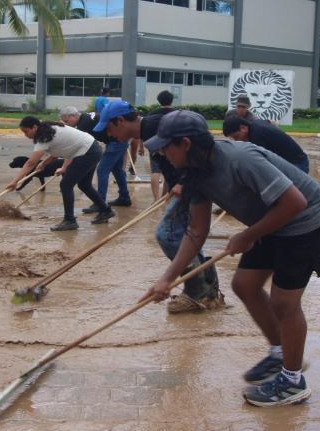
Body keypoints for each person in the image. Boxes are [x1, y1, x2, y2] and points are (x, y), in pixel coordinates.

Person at [139, 110, 320, 406]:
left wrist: (247, 235)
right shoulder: (196, 172)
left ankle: (293, 382)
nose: (162, 153)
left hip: (307, 221)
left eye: (167, 146)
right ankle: (281, 353)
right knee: (245, 284)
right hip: (271, 220)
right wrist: (168, 278)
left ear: (185, 143)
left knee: (284, 303)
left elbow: (296, 202)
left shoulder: (240, 159)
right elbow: (196, 230)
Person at [96, 100, 224, 314]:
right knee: (183, 237)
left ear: (120, 121)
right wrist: (171, 188)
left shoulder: (156, 125)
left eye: (109, 128)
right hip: (186, 185)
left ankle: (198, 292)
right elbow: (170, 166)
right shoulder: (148, 129)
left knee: (168, 235)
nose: (109, 135)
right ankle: (208, 292)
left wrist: (183, 183)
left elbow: (197, 148)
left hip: (193, 184)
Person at [7, 116, 114, 231]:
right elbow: (60, 149)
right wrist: (44, 164)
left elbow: (30, 163)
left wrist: (15, 182)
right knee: (84, 185)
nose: (25, 135)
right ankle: (106, 211)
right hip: (92, 148)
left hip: (87, 152)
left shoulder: (43, 137)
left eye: (26, 131)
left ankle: (70, 220)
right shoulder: (49, 129)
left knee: (66, 185)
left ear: (34, 127)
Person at [222, 117, 310, 173]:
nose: (237, 140)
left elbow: (261, 164)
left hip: (297, 165)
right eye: (233, 139)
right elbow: (272, 122)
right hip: (299, 159)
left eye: (236, 137)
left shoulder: (256, 136)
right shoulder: (256, 123)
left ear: (243, 128)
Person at [147, 90, 176, 200]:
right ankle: (165, 197)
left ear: (159, 100)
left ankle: (155, 199)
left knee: (155, 171)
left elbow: (144, 129)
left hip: (154, 144)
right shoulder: (176, 113)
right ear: (171, 100)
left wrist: (141, 145)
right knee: (168, 172)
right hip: (170, 146)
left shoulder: (152, 113)